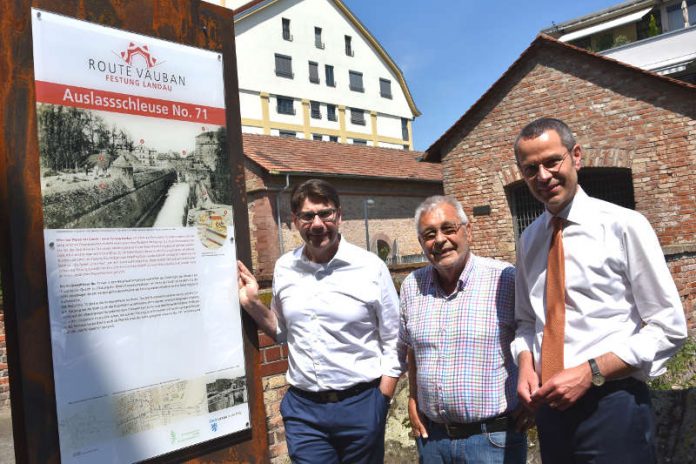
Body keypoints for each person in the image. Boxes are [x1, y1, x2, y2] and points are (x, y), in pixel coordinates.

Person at [511, 117, 688, 462]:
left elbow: (668, 328)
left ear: (576, 156)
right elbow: (526, 322)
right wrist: (526, 366)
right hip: (550, 411)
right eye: (531, 168)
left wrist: (592, 371)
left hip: (613, 405)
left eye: (551, 161)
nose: (543, 176)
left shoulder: (625, 226)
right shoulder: (529, 240)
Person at [237, 178, 401, 464]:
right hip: (304, 410)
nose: (317, 224)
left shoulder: (370, 267)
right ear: (294, 220)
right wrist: (251, 303)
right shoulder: (285, 268)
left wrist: (380, 400)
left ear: (339, 215)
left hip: (360, 404)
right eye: (307, 215)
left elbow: (394, 338)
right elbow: (283, 331)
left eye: (325, 213)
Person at [398, 195, 530, 464]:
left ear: (467, 230)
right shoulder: (412, 286)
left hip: (493, 440)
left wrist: (534, 400)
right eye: (429, 234)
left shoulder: (504, 279)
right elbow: (411, 348)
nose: (440, 240)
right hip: (433, 441)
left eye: (449, 228)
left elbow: (533, 336)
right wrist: (413, 398)